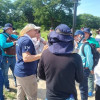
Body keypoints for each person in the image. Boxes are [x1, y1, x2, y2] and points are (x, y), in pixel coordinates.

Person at [38, 24, 83, 100]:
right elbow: (80, 79)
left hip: (51, 96)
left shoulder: (45, 54)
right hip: (69, 96)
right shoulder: (76, 57)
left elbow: (41, 75)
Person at [14, 24, 48, 100]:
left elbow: (17, 55)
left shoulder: (21, 38)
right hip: (27, 74)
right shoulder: (27, 41)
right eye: (35, 30)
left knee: (20, 94)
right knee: (32, 96)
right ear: (29, 31)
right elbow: (26, 58)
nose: (37, 32)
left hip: (20, 71)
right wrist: (42, 54)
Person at [74, 30, 94, 100]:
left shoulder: (86, 46)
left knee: (83, 88)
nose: (75, 38)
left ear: (80, 36)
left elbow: (90, 59)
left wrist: (91, 69)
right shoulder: (80, 45)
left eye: (76, 36)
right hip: (80, 69)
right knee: (81, 87)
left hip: (85, 70)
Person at [0, 23, 18, 91]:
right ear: (5, 29)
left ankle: (17, 83)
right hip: (5, 57)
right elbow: (3, 45)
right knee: (5, 73)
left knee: (15, 71)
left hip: (12, 57)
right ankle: (7, 86)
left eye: (11, 29)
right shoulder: (2, 36)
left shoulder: (12, 35)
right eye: (9, 29)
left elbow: (18, 37)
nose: (11, 30)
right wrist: (13, 43)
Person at [83, 28, 100, 97]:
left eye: (86, 33)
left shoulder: (93, 40)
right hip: (84, 61)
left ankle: (90, 90)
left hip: (92, 60)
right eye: (84, 33)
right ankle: (86, 89)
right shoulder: (82, 40)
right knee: (84, 76)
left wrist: (93, 48)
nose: (85, 34)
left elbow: (98, 49)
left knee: (90, 75)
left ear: (89, 34)